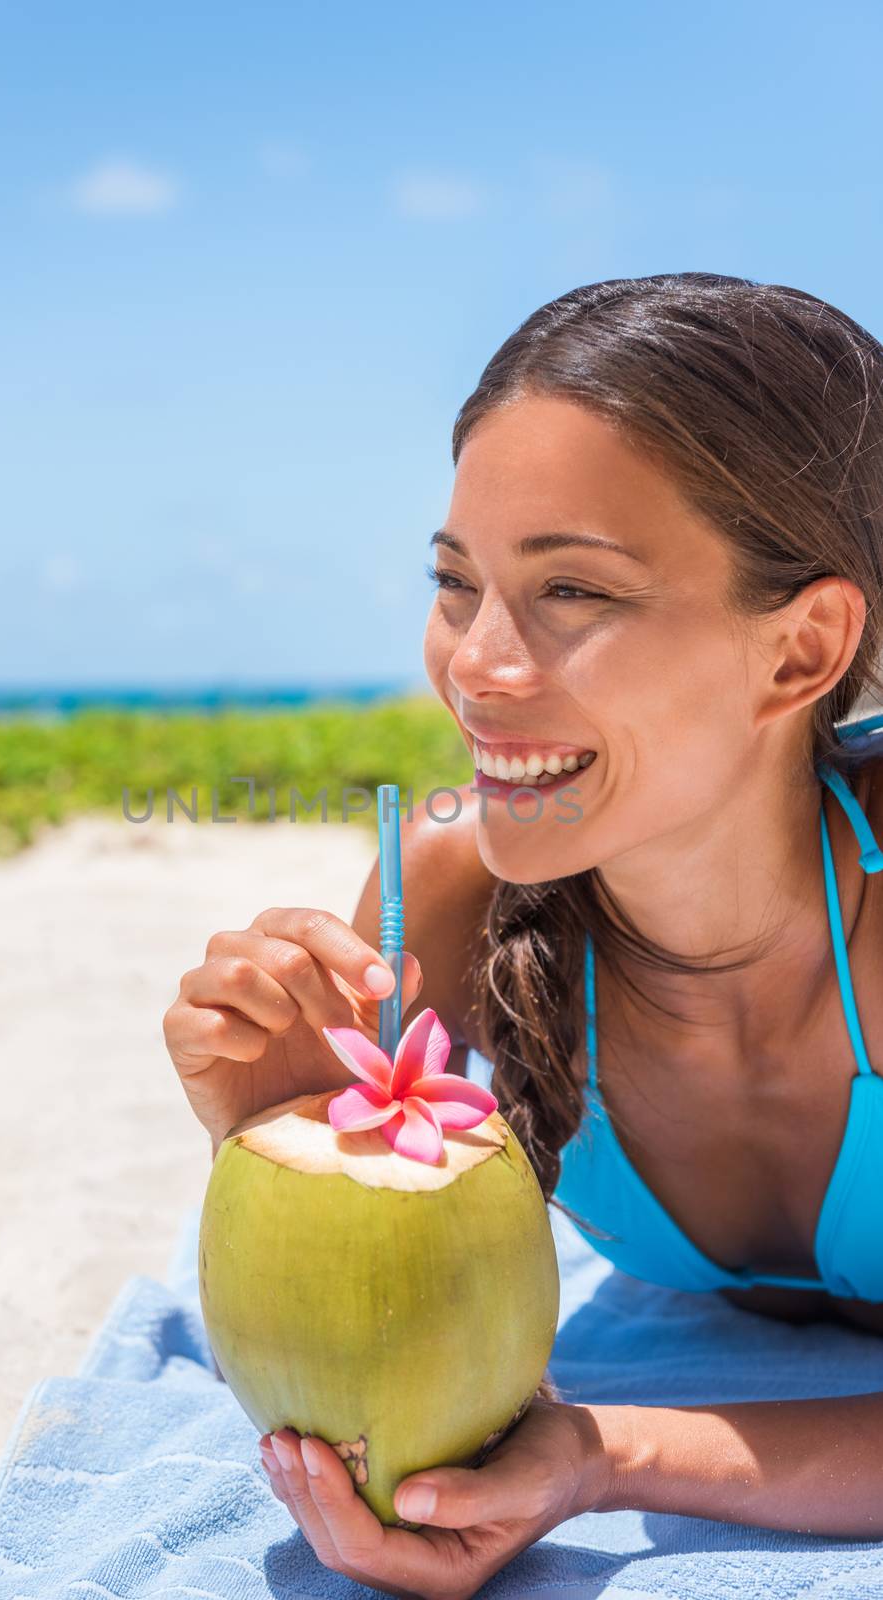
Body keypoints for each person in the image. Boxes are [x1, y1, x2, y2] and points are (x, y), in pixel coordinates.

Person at [163, 273, 883, 1598]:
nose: (478, 667)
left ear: (802, 651)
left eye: (573, 593)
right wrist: (266, 1144)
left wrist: (602, 1454)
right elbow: (356, 1370)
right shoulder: (446, 883)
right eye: (457, 585)